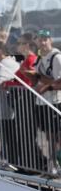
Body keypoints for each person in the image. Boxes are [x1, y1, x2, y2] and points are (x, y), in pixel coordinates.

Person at [33, 29, 61, 175]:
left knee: (58, 137)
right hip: (42, 103)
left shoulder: (56, 57)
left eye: (45, 39)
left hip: (55, 102)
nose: (43, 42)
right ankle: (53, 165)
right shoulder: (40, 57)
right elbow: (37, 78)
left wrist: (45, 85)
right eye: (40, 39)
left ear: (50, 40)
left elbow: (59, 81)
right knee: (50, 137)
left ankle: (57, 164)